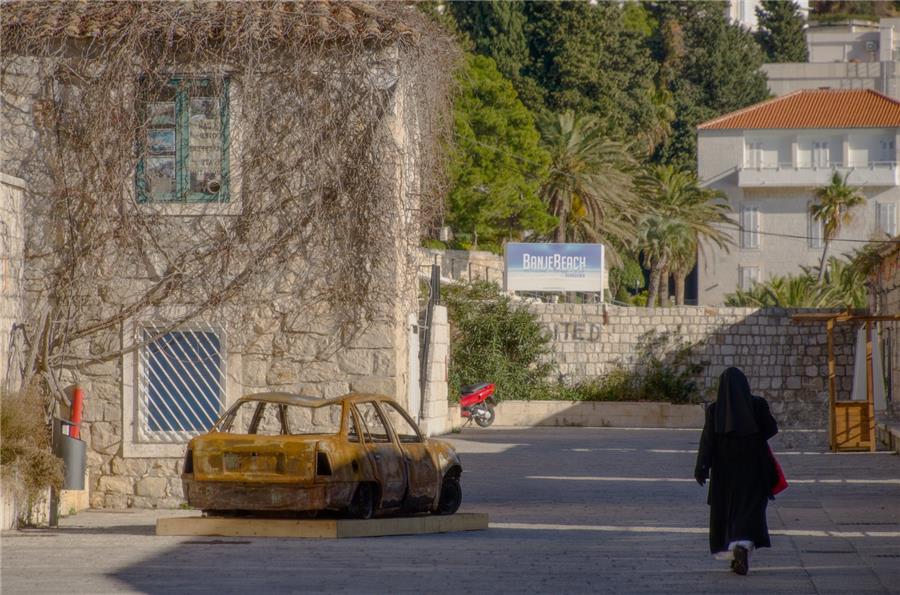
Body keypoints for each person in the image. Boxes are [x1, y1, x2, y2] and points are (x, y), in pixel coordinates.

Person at [694, 367, 778, 575]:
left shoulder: (715, 410)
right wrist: (755, 438)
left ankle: (733, 550)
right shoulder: (757, 405)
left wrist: (702, 467)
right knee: (751, 510)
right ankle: (743, 547)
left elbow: (708, 442)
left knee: (728, 511)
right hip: (754, 468)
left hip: (725, 472)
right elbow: (772, 428)